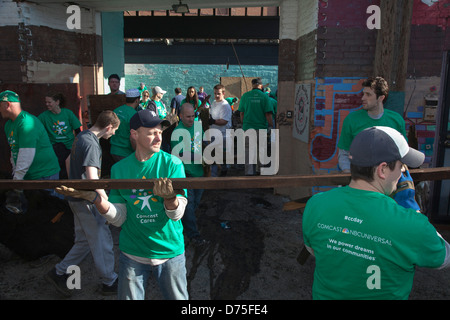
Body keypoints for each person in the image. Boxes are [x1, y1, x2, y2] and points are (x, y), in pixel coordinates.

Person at [302, 126, 450, 300]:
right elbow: (444, 257)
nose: (402, 172)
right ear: (383, 169)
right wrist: (412, 208)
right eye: (401, 166)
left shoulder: (316, 204)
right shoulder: (412, 224)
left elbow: (313, 250)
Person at [56, 108, 189, 300]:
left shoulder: (173, 165)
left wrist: (170, 198)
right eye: (152, 133)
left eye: (160, 132)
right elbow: (119, 218)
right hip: (132, 254)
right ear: (134, 134)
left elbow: (177, 215)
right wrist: (95, 199)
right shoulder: (120, 169)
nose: (159, 138)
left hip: (169, 252)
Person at [45, 110, 120, 298]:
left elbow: (69, 160)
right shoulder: (93, 144)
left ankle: (59, 272)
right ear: (108, 127)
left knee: (84, 241)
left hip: (75, 199)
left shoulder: (81, 136)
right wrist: (106, 203)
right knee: (101, 240)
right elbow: (93, 180)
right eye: (114, 131)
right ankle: (109, 281)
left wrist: (74, 182)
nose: (114, 135)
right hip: (87, 201)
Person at [0, 90, 60, 208]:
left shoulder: (27, 122)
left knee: (49, 211)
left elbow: (26, 153)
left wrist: (17, 182)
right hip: (28, 176)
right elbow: (14, 151)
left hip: (44, 174)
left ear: (7, 105)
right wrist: (15, 175)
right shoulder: (9, 125)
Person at [338, 76, 407, 173]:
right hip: (360, 177)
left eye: (368, 95)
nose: (363, 98)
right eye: (363, 94)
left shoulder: (396, 120)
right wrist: (350, 175)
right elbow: (344, 153)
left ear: (381, 98)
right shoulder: (351, 120)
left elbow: (404, 153)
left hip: (388, 179)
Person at [171, 103, 206, 245]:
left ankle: (185, 225)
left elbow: (202, 144)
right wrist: (199, 157)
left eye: (193, 116)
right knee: (189, 205)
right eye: (188, 116)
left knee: (196, 202)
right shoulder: (176, 132)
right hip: (186, 174)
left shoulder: (198, 127)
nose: (192, 119)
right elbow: (178, 154)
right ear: (180, 116)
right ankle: (193, 235)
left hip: (199, 172)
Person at [38, 92, 82, 179]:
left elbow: (78, 130)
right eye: (46, 102)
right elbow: (36, 129)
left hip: (69, 147)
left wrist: (78, 145)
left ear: (57, 102)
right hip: (54, 148)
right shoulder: (43, 116)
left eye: (49, 102)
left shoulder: (68, 113)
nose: (47, 104)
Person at [238, 78, 273, 176]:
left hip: (248, 128)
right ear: (261, 86)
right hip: (261, 128)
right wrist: (271, 126)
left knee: (248, 152)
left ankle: (249, 174)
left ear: (252, 85)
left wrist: (244, 123)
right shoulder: (264, 97)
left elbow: (241, 113)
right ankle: (260, 173)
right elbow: (268, 114)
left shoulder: (245, 96)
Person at [110, 89, 140, 163]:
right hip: (126, 153)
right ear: (137, 100)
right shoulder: (135, 115)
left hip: (113, 150)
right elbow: (133, 138)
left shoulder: (116, 110)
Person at [208, 84, 232, 177]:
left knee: (222, 156)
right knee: (214, 155)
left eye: (218, 94)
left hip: (223, 135)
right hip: (214, 133)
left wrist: (213, 121)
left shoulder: (225, 105)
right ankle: (214, 175)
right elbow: (212, 114)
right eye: (215, 93)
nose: (216, 95)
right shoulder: (214, 103)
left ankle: (223, 172)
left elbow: (224, 121)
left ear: (223, 93)